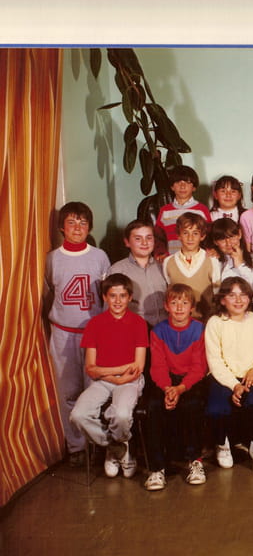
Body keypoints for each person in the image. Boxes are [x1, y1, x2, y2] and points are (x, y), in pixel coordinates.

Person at [44, 201, 110, 467]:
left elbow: (108, 296)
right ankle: (77, 447)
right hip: (63, 333)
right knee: (68, 392)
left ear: (89, 227)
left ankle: (99, 446)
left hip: (94, 333)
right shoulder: (52, 258)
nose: (77, 228)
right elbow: (49, 293)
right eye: (71, 222)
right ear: (62, 227)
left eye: (83, 223)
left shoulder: (99, 256)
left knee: (95, 390)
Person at [69, 273, 148, 478]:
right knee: (78, 415)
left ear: (130, 297)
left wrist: (109, 372)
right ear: (105, 297)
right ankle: (115, 446)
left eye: (122, 296)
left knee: (121, 415)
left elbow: (137, 366)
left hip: (130, 381)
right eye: (113, 296)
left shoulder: (138, 323)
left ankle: (121, 444)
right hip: (102, 382)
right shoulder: (95, 324)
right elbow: (90, 368)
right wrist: (116, 373)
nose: (118, 301)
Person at [143, 283, 208, 490]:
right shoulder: (159, 331)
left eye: (185, 303)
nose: (179, 308)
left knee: (193, 405)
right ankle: (157, 469)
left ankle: (195, 461)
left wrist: (180, 389)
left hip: (190, 381)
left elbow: (199, 367)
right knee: (154, 407)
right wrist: (167, 389)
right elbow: (157, 366)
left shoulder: (199, 329)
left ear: (192, 307)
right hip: (165, 381)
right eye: (174, 303)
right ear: (166, 306)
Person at [204, 277, 253, 474]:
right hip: (224, 376)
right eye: (232, 295)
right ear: (223, 300)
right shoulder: (215, 323)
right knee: (216, 408)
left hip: (252, 374)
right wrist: (234, 385)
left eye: (243, 295)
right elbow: (215, 360)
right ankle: (222, 444)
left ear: (250, 298)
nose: (238, 300)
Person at [108, 219, 167, 328]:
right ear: (127, 242)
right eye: (138, 239)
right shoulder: (117, 270)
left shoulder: (164, 266)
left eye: (149, 238)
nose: (144, 243)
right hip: (134, 330)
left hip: (165, 329)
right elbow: (109, 310)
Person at [162, 212, 221, 321]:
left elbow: (217, 293)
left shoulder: (212, 261)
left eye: (195, 233)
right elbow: (170, 291)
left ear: (202, 236)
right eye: (185, 233)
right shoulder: (168, 262)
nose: (190, 238)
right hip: (179, 321)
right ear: (178, 235)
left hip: (205, 321)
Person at [211, 217, 253, 316]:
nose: (228, 243)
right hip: (225, 312)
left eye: (232, 237)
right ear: (215, 242)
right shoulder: (216, 262)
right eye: (222, 239)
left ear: (239, 234)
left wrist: (241, 266)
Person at [155, 165, 211, 258]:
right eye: (178, 182)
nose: (182, 186)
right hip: (172, 259)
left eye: (187, 182)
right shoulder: (165, 211)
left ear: (194, 187)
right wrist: (160, 252)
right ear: (172, 187)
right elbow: (158, 236)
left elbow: (209, 235)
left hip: (196, 260)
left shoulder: (202, 210)